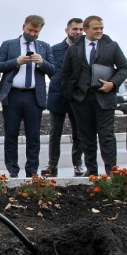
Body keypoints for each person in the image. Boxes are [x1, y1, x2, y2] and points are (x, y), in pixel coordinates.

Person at [62, 16, 127, 176]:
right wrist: (70, 95)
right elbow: (66, 74)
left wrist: (112, 84)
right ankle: (91, 171)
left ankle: (111, 171)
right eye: (95, 28)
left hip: (105, 99)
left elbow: (125, 68)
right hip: (81, 100)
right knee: (86, 137)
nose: (99, 31)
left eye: (101, 28)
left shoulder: (112, 46)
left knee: (106, 136)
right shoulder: (73, 48)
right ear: (85, 29)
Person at [0, 15, 56, 178]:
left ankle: (32, 170)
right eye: (30, 30)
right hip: (12, 95)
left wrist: (41, 62)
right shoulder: (9, 45)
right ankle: (12, 170)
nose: (33, 34)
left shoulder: (44, 47)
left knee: (33, 135)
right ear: (23, 27)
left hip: (34, 97)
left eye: (37, 31)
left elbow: (54, 70)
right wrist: (16, 61)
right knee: (11, 134)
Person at [41, 18, 85, 177]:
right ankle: (52, 163)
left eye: (81, 29)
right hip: (57, 96)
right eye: (75, 29)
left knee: (78, 133)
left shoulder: (85, 48)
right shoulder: (55, 49)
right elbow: (50, 70)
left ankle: (78, 164)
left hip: (77, 97)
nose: (78, 32)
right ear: (67, 30)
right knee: (55, 132)